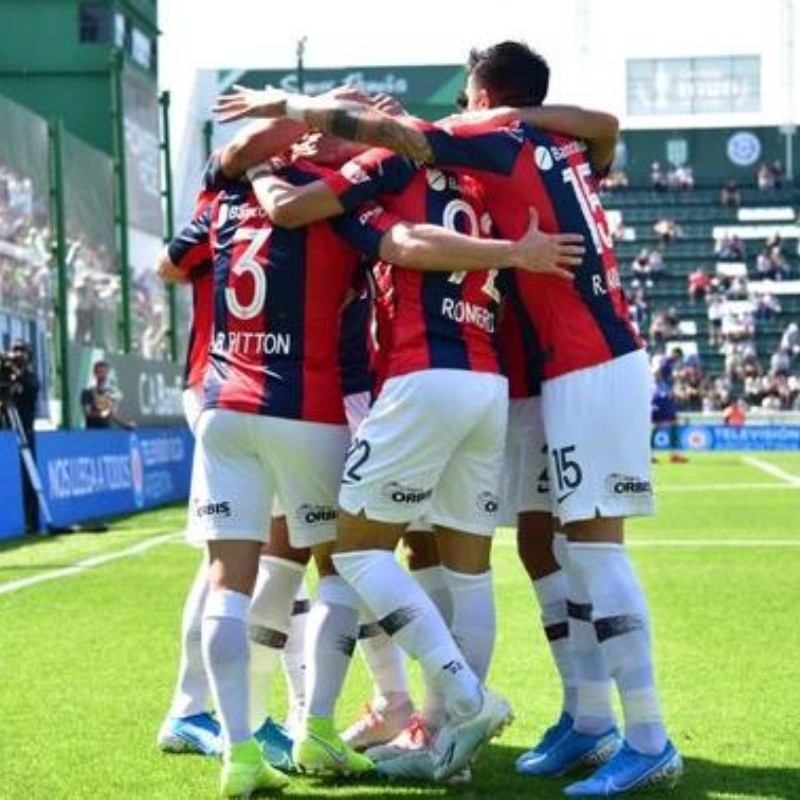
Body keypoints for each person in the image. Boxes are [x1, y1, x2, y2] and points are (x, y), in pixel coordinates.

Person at [214, 39, 682, 795]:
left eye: (468, 99)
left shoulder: (458, 143)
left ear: (480, 98)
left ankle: (617, 731)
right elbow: (602, 122)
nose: (459, 112)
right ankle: (576, 721)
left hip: (536, 364)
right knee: (517, 549)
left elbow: (375, 205)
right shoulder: (539, 142)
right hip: (512, 380)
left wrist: (284, 117)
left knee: (377, 547)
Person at [187, 115, 582, 797]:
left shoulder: (358, 183)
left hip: (397, 380)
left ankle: (449, 700)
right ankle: (441, 741)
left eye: (328, 126)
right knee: (467, 573)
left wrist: (268, 157)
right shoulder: (475, 184)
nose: (312, 138)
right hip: (482, 380)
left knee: (349, 554)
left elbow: (388, 238)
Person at [0, 339, 40, 532]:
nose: (17, 355)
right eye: (14, 350)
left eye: (21, 351)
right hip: (7, 433)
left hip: (25, 433)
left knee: (27, 479)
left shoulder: (31, 378)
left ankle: (32, 519)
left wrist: (15, 368)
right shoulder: (6, 377)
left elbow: (27, 384)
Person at [80, 360, 134, 430]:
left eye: (105, 372)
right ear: (95, 374)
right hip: (92, 434)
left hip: (107, 432)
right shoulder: (87, 393)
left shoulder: (109, 394)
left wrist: (125, 425)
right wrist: (102, 414)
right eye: (100, 372)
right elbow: (87, 413)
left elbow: (111, 415)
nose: (103, 375)